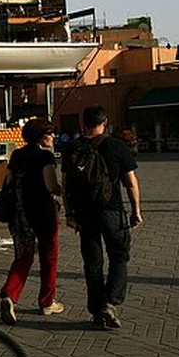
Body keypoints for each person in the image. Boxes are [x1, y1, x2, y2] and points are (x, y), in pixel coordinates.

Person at [62, 105, 142, 330]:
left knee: (93, 262)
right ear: (105, 121)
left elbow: (66, 183)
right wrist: (136, 210)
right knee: (118, 256)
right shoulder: (116, 146)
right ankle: (110, 303)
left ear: (83, 123)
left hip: (84, 214)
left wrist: (69, 213)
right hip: (111, 210)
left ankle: (96, 309)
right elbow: (131, 182)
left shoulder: (72, 147)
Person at [0, 119, 64, 326]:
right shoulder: (45, 156)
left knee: (23, 258)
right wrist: (61, 190)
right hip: (43, 214)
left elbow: (8, 182)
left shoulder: (17, 155)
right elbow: (50, 185)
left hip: (20, 215)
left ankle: (9, 295)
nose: (53, 137)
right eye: (50, 133)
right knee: (49, 257)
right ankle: (47, 302)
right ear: (41, 136)